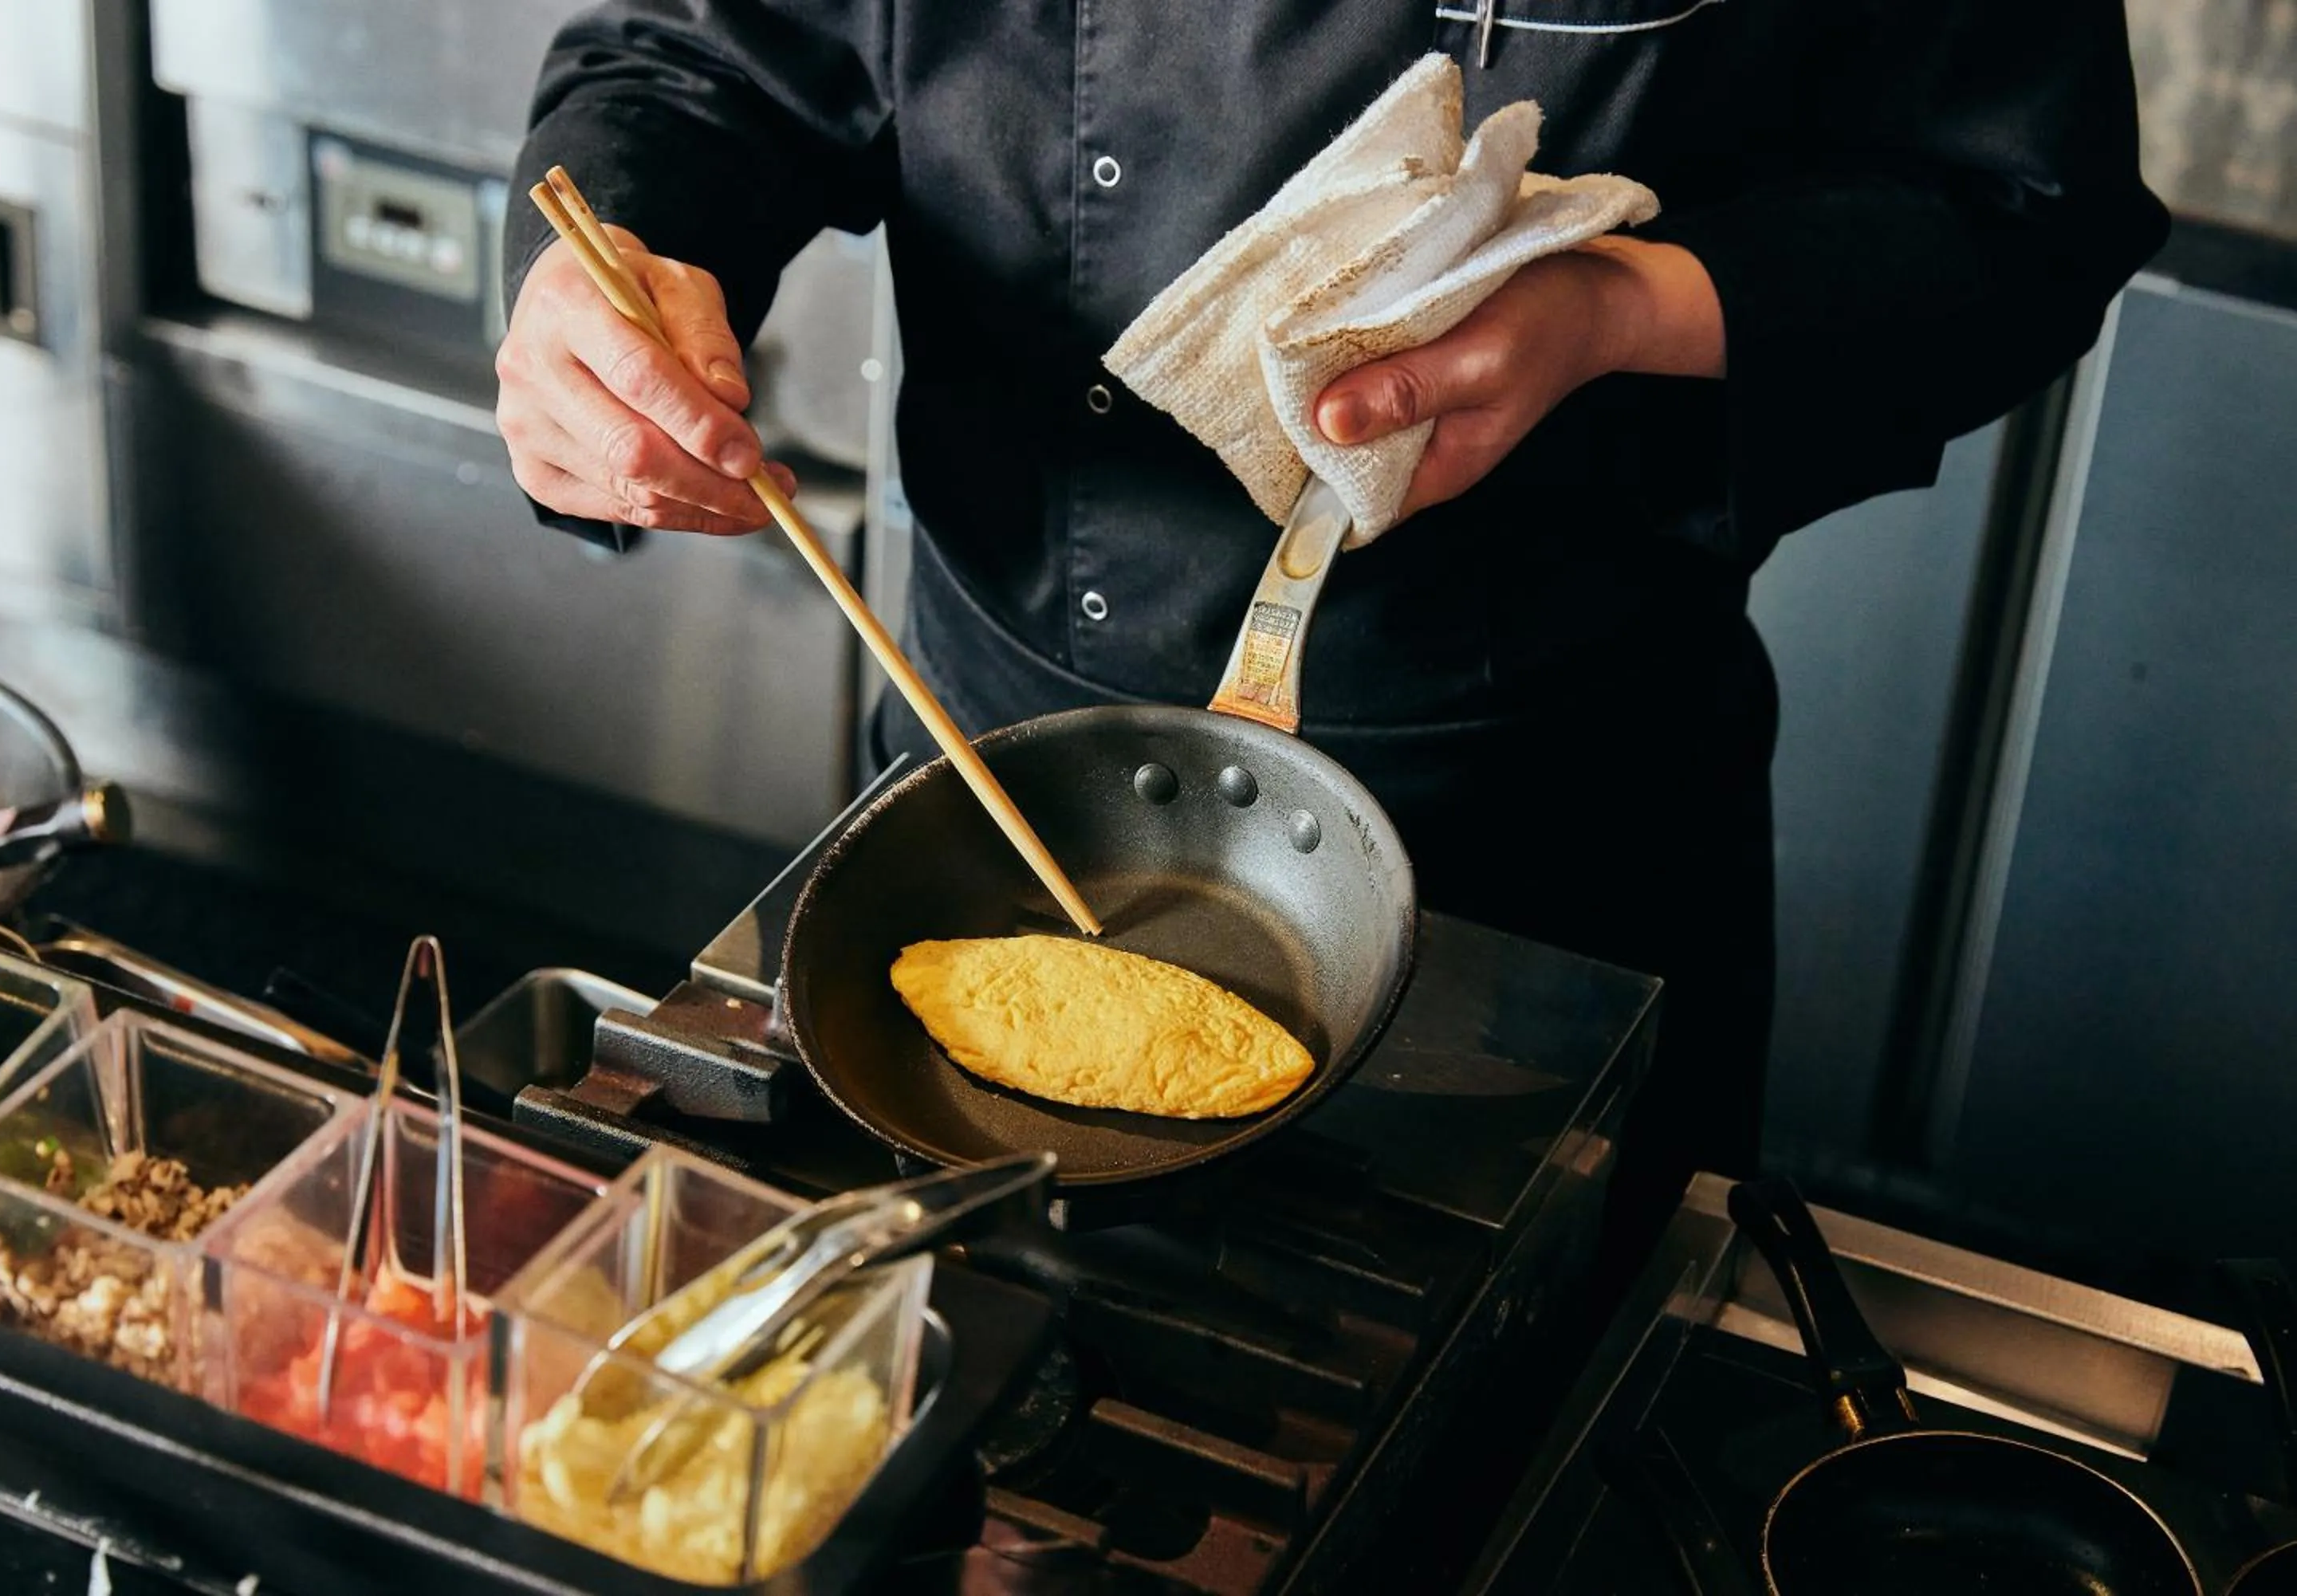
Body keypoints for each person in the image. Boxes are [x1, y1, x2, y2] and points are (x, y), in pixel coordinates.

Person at [495, 3, 2167, 1280]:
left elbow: (2019, 210)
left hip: (1553, 846)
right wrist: (612, 284)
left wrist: (1618, 309)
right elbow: (702, 58)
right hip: (981, 781)